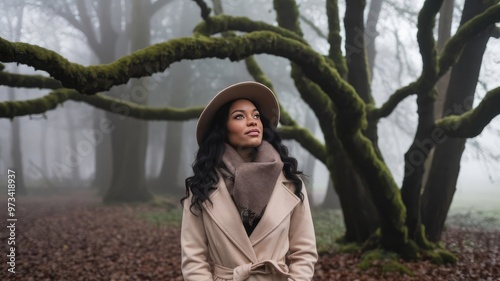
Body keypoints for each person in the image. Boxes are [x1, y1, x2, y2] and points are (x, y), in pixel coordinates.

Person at [180, 81, 318, 281]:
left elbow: (304, 250)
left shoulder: (290, 181)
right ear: (222, 129)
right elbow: (194, 259)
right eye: (239, 116)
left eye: (256, 115)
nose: (252, 121)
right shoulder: (202, 186)